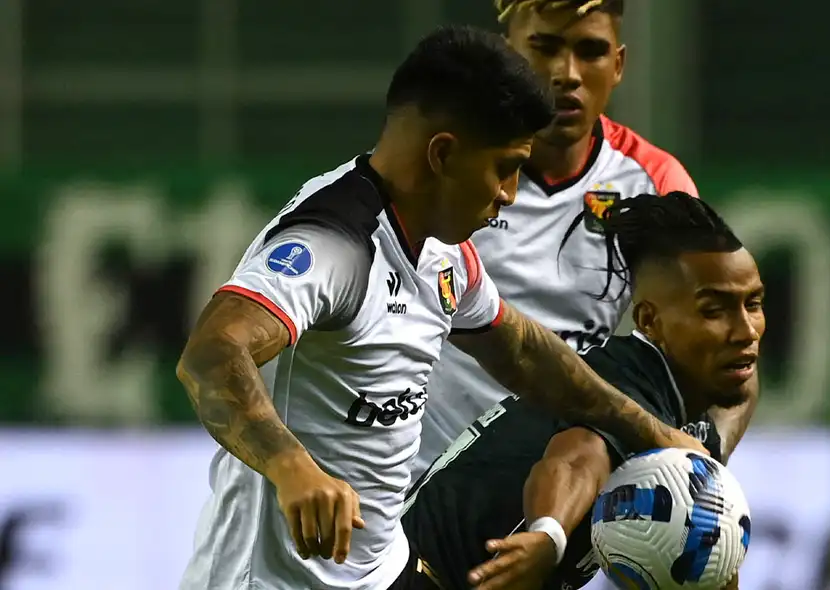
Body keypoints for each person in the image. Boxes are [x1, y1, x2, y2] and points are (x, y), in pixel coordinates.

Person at [175, 25, 707, 590]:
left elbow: (526, 353)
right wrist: (290, 465)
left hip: (381, 569)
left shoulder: (443, 251)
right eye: (504, 167)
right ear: (443, 154)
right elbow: (211, 355)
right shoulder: (333, 244)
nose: (508, 193)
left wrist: (653, 433)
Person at [414, 0, 757, 480]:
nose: (566, 74)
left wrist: (705, 462)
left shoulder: (654, 184)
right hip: (420, 488)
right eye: (545, 47)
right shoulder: (443, 167)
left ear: (618, 65)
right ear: (504, 54)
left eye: (590, 51)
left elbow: (728, 351)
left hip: (572, 488)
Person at [403, 193, 764, 590]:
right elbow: (578, 457)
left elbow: (742, 397)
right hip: (416, 575)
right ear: (650, 320)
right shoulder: (625, 384)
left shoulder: (698, 396)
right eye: (714, 311)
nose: (746, 330)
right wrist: (549, 535)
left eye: (754, 304)